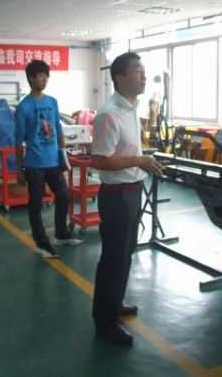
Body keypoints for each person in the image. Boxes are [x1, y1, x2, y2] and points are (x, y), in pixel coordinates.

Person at [90, 52, 163, 346]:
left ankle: (115, 302)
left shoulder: (131, 108)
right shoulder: (109, 113)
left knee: (125, 253)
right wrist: (139, 160)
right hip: (117, 196)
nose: (144, 76)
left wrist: (143, 161)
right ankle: (105, 322)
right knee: (113, 258)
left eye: (144, 71)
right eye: (137, 71)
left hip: (132, 190)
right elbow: (100, 160)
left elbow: (126, 152)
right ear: (120, 77)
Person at [15, 59, 82, 259]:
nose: (44, 80)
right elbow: (18, 141)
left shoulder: (52, 102)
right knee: (35, 204)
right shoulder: (24, 107)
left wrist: (63, 154)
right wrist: (19, 170)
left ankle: (61, 234)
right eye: (40, 76)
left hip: (53, 160)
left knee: (63, 195)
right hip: (34, 163)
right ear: (30, 78)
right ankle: (42, 243)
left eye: (46, 76)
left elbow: (58, 129)